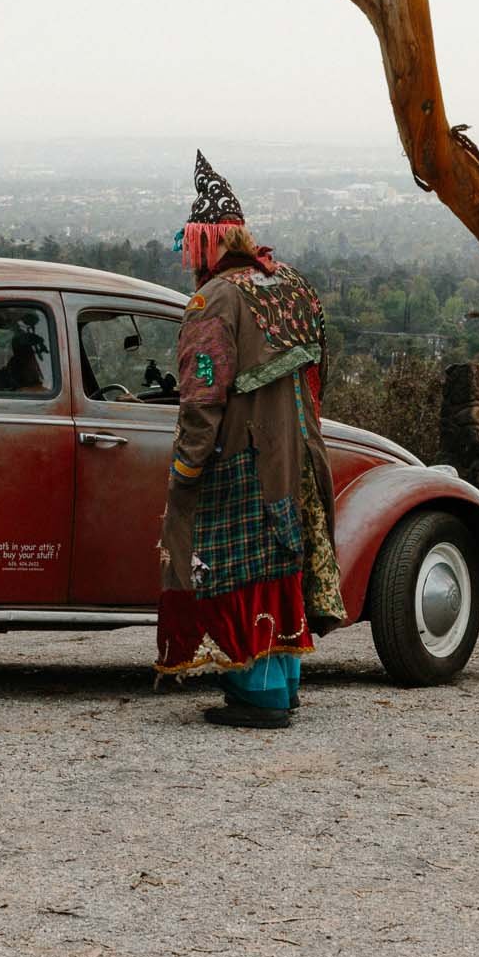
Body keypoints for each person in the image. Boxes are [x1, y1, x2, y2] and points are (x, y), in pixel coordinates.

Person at [156, 150, 345, 728]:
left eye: (194, 251)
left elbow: (202, 397)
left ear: (207, 244)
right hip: (298, 454)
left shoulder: (214, 301)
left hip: (239, 458)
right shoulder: (287, 283)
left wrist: (185, 472)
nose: (193, 264)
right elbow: (320, 375)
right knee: (282, 562)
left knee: (236, 568)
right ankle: (283, 683)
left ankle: (257, 694)